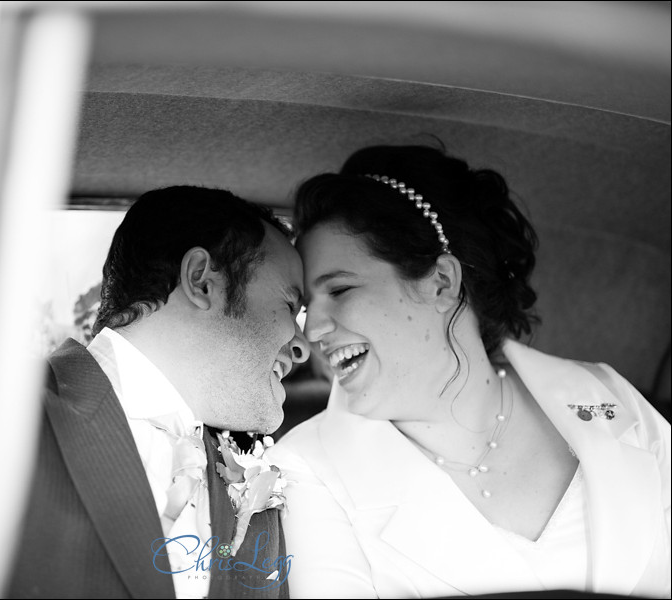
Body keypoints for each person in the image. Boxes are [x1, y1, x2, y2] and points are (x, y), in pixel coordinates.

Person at [267, 145, 671, 598]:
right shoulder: (306, 471)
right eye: (305, 306)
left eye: (339, 289)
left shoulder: (607, 395)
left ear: (442, 281)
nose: (313, 328)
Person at [7, 186, 309, 599]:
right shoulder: (4, 415)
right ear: (201, 281)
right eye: (291, 306)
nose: (303, 346)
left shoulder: (257, 479)